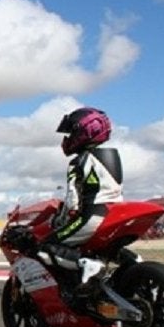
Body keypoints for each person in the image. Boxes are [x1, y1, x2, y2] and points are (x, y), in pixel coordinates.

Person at [41, 107, 122, 287]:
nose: (68, 138)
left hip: (94, 215)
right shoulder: (113, 155)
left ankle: (86, 264)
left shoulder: (78, 161)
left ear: (85, 131)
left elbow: (72, 201)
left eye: (71, 132)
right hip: (116, 214)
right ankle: (139, 265)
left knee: (45, 246)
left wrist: (60, 221)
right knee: (110, 250)